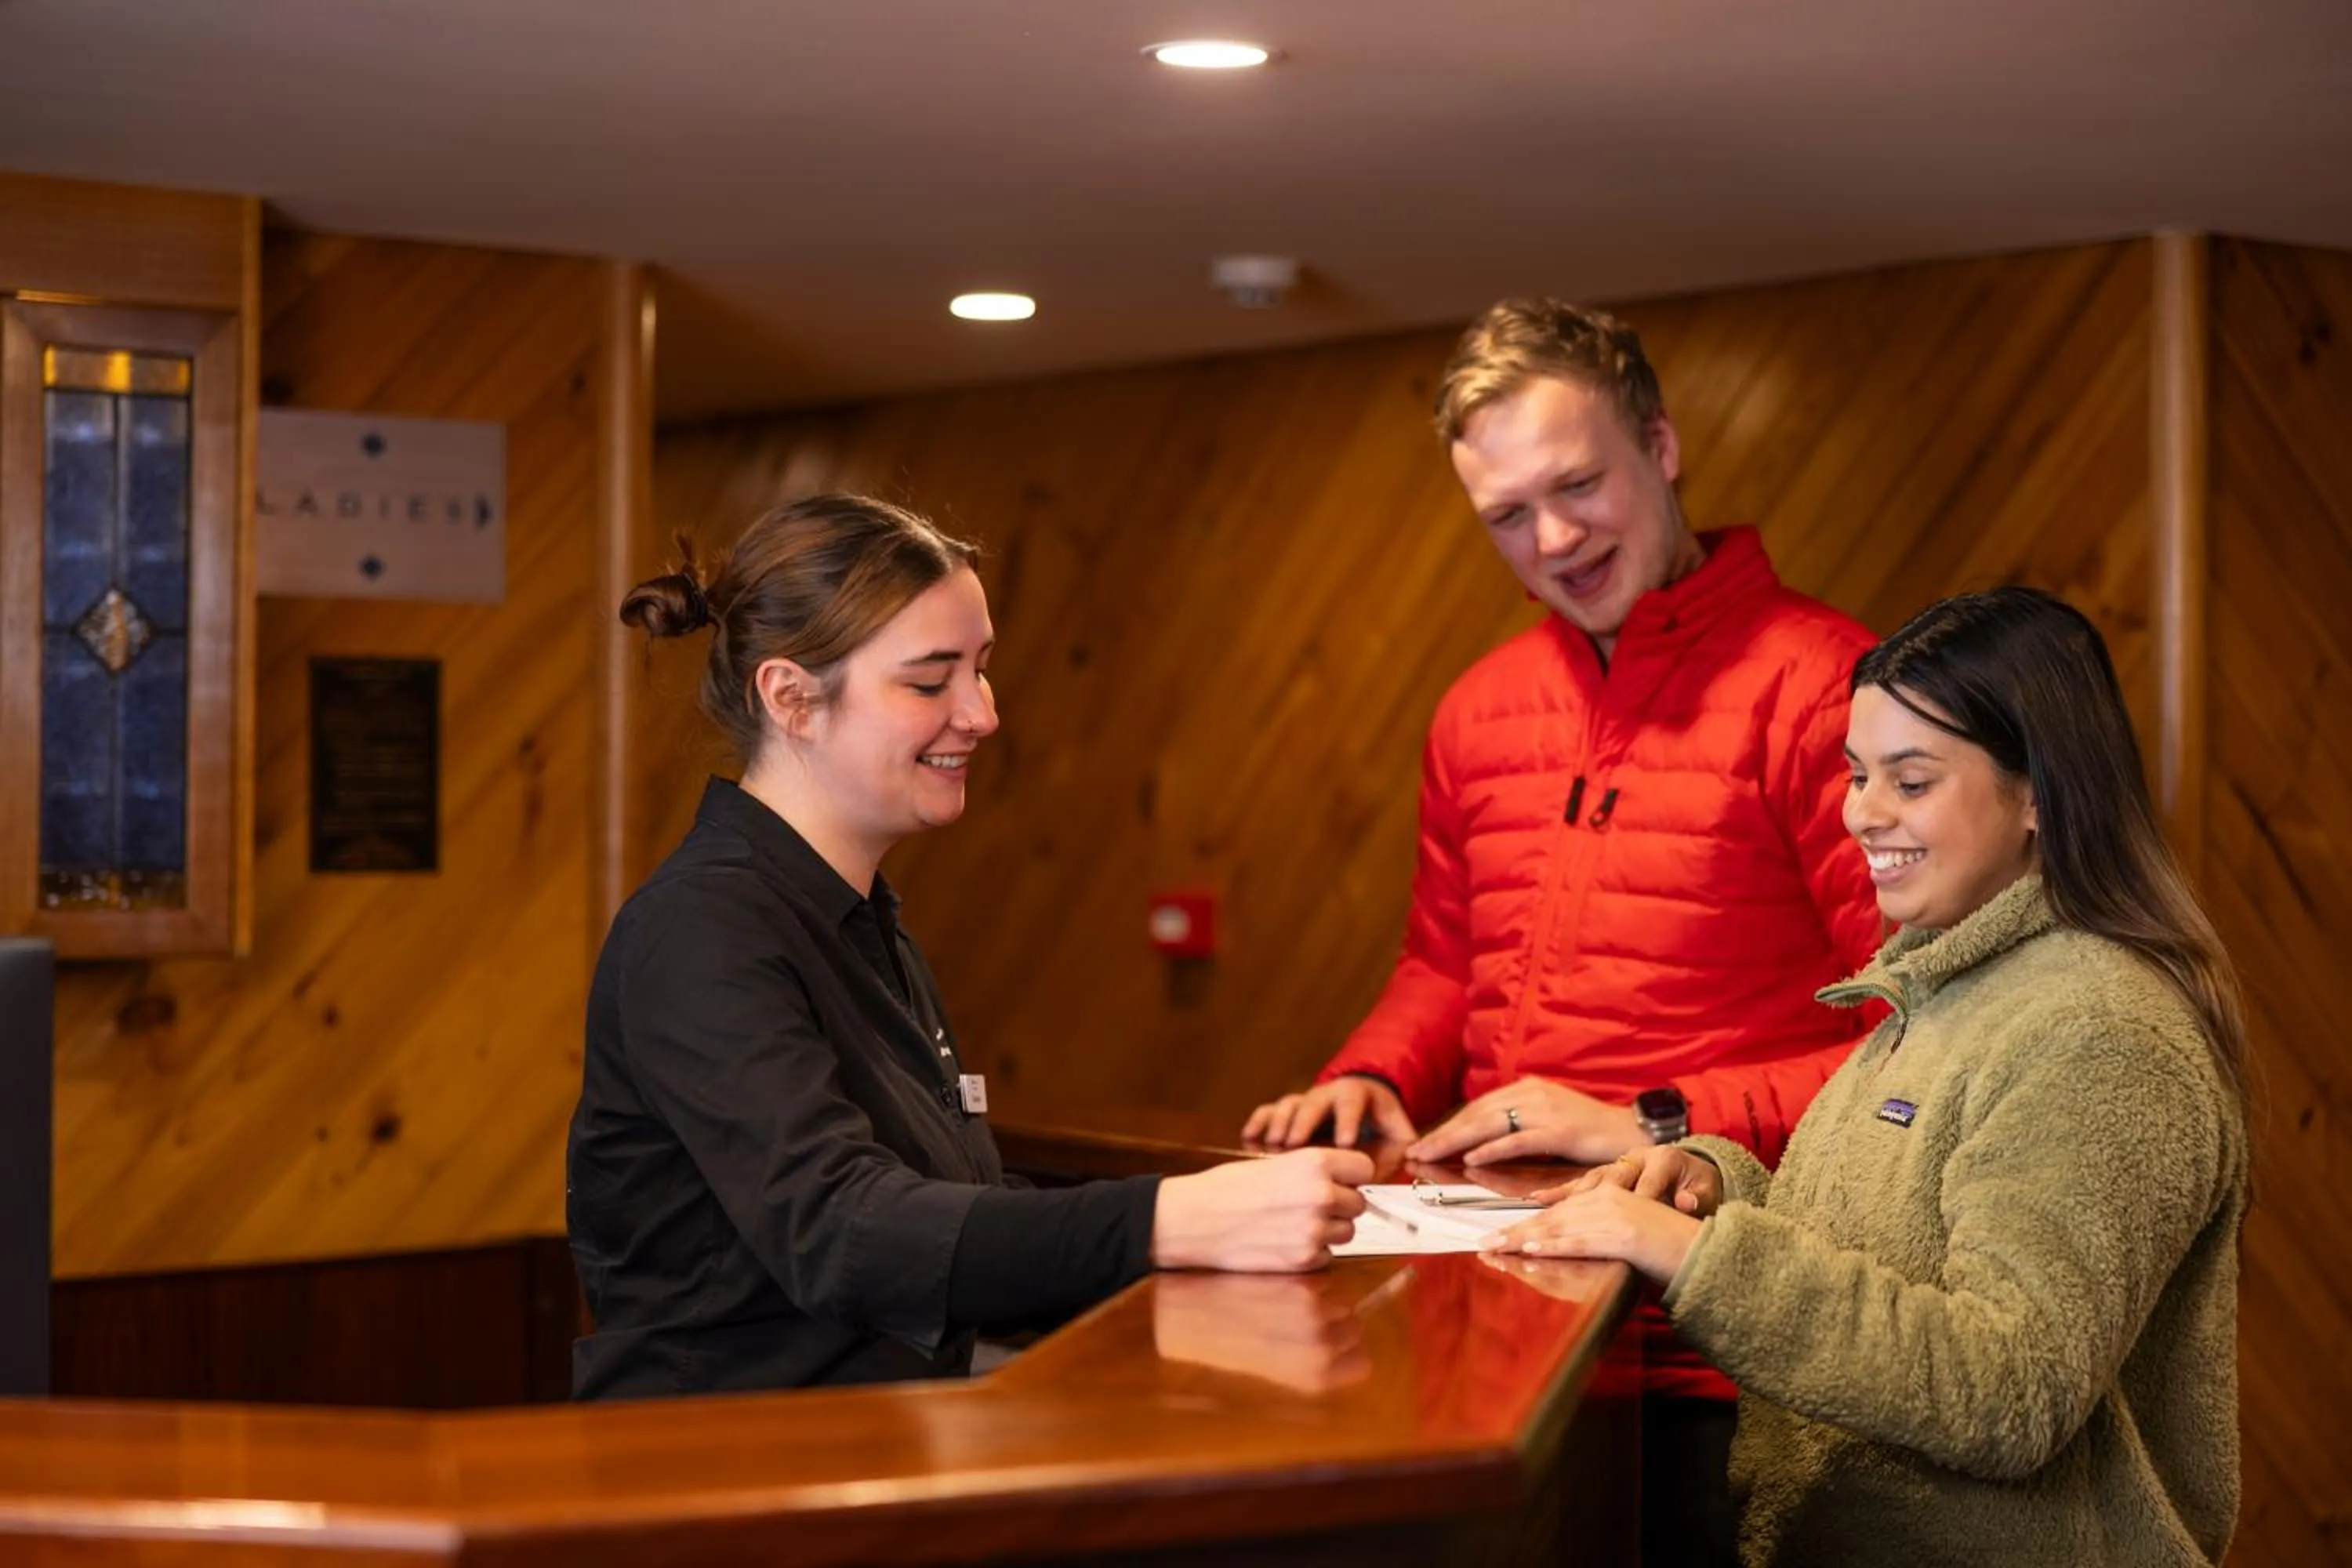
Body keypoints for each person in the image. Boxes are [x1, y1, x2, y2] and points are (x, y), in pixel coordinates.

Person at [1241, 299, 1883, 1559]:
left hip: (1728, 1343)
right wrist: (1370, 1073)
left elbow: (1918, 1045)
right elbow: (1443, 963)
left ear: (1662, 442)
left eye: (1579, 483)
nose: (1552, 538)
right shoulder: (1480, 709)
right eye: (1505, 515)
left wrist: (1656, 1119)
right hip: (1511, 1326)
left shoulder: (1830, 687)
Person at [1486, 587, 2250, 1566]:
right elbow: (1884, 1251)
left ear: (2040, 795)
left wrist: (1692, 1258)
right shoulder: (1943, 981)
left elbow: (2008, 1387)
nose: (1861, 813)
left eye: (1911, 780)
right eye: (1856, 774)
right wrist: (1713, 1190)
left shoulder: (2100, 1029)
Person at [568, 494, 1370, 1400]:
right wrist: (1169, 1218)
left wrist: (1221, 1224)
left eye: (981, 669)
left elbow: (956, 1199)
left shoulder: (862, 914)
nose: (982, 713)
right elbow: (845, 1230)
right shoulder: (699, 930)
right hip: (729, 1478)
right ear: (792, 697)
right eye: (930, 680)